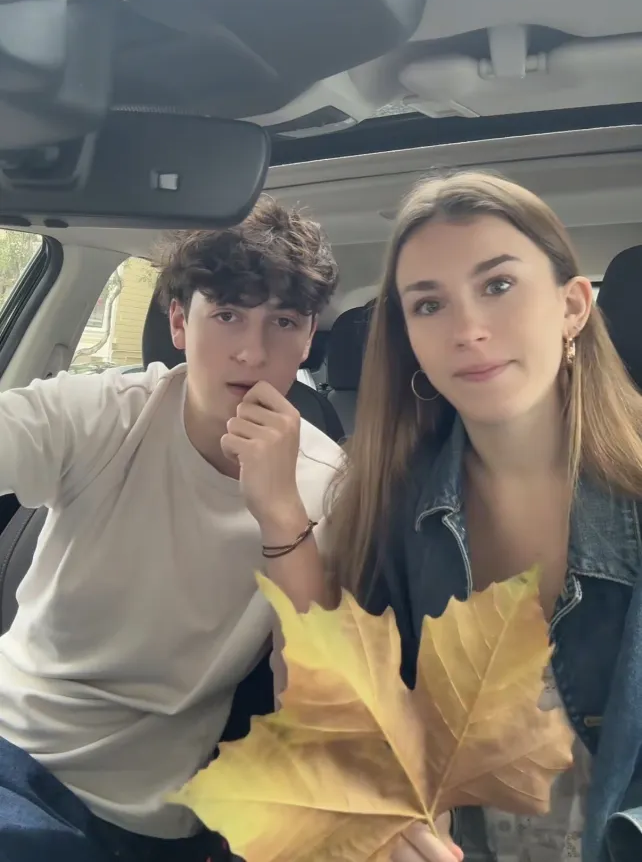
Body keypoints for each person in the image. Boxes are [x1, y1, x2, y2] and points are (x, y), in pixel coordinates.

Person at [0, 196, 343, 862]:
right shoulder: (103, 413)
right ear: (180, 323)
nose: (252, 351)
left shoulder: (333, 486)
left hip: (145, 814)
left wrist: (281, 513)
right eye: (228, 315)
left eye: (283, 322)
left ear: (308, 340)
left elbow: (311, 702)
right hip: (13, 743)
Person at [326, 169, 642, 862]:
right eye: (429, 305)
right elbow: (357, 709)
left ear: (572, 307)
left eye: (498, 285)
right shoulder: (384, 506)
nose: (467, 330)